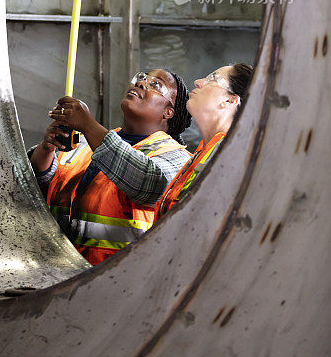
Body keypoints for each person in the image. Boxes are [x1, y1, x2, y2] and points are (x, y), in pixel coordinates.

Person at [29, 69, 192, 265]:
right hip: (57, 270)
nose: (140, 84)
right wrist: (46, 149)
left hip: (114, 278)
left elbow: (148, 183)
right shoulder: (84, 142)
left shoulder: (178, 157)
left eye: (155, 84)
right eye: (141, 78)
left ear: (168, 112)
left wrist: (88, 124)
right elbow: (37, 186)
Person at [154, 63, 253, 221]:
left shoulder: (232, 156)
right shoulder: (204, 153)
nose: (198, 82)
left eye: (212, 79)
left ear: (230, 100)